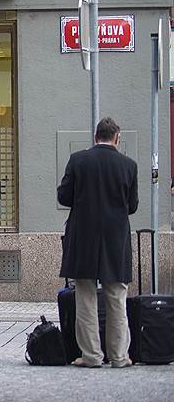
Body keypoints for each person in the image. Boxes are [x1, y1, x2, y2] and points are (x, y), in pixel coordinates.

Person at [57, 117, 137, 369]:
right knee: (117, 296)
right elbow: (132, 206)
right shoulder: (128, 165)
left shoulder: (78, 160)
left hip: (84, 236)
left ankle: (91, 356)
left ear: (95, 136)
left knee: (85, 296)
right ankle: (119, 356)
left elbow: (64, 196)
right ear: (117, 138)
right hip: (116, 238)